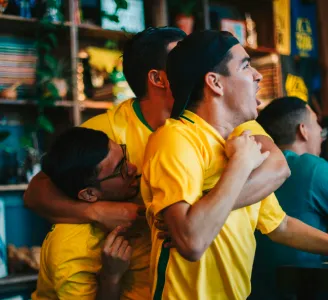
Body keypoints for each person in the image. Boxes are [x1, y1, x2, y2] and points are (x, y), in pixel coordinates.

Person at [25, 27, 289, 298]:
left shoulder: (224, 115)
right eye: (180, 55)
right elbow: (37, 193)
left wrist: (199, 214)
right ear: (158, 78)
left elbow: (278, 167)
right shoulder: (108, 131)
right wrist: (98, 211)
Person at [141, 30, 328, 300]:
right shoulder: (175, 138)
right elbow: (192, 242)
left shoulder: (240, 141)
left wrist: (206, 211)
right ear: (215, 83)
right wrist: (240, 164)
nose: (258, 75)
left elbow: (280, 226)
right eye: (245, 65)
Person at [31, 127, 138, 300]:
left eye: (125, 156)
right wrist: (111, 276)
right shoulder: (71, 250)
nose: (133, 168)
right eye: (120, 169)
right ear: (90, 194)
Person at [251, 96, 328, 300]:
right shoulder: (312, 168)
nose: (322, 134)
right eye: (318, 124)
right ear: (303, 130)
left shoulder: (249, 171)